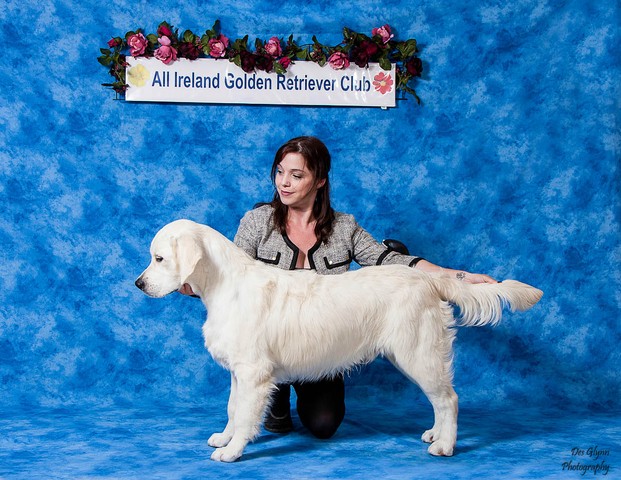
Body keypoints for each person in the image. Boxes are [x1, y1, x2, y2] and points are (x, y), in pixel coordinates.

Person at [180, 136, 496, 439]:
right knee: (268, 399)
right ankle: (274, 399)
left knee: (324, 425)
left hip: (319, 344)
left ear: (320, 181)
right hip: (268, 340)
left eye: (296, 175)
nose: (284, 183)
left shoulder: (344, 227)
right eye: (279, 172)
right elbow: (231, 279)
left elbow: (387, 259)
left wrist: (456, 276)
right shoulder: (257, 222)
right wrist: (194, 284)